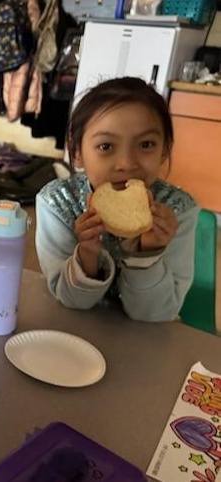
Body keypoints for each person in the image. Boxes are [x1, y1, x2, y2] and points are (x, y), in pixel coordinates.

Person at [35, 77, 199, 322]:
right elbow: (71, 302)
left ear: (165, 150)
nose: (126, 164)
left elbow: (156, 315)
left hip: (146, 342)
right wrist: (87, 255)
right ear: (77, 152)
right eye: (105, 146)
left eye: (146, 144)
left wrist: (149, 253)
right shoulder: (57, 203)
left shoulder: (176, 212)